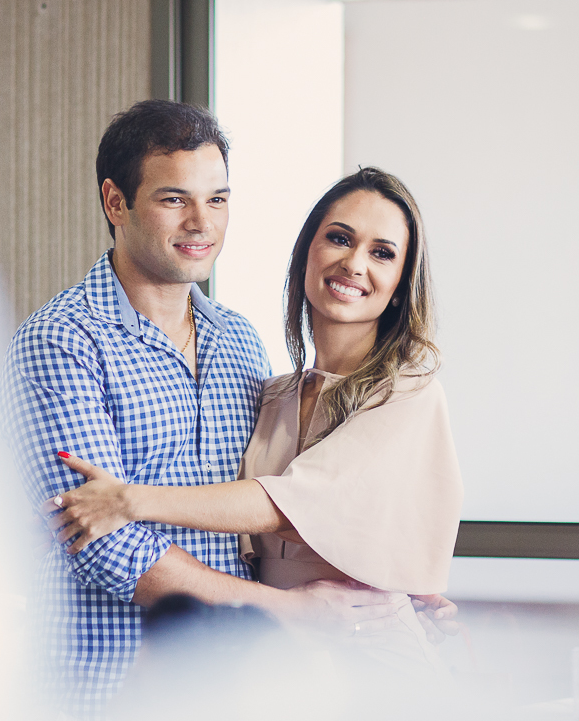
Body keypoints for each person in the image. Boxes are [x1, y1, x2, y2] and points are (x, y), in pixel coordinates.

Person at [0, 102, 407, 720]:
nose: (201, 223)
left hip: (230, 689)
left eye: (217, 200)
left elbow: (275, 513)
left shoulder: (239, 340)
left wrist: (395, 597)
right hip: (108, 687)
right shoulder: (60, 342)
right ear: (115, 203)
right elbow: (108, 547)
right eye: (173, 200)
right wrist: (289, 611)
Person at [43, 167, 463, 677]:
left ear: (399, 284)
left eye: (382, 253)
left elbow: (286, 505)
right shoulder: (273, 394)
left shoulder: (409, 392)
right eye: (339, 238)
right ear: (308, 251)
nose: (354, 264)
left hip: (368, 652)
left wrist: (126, 500)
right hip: (280, 658)